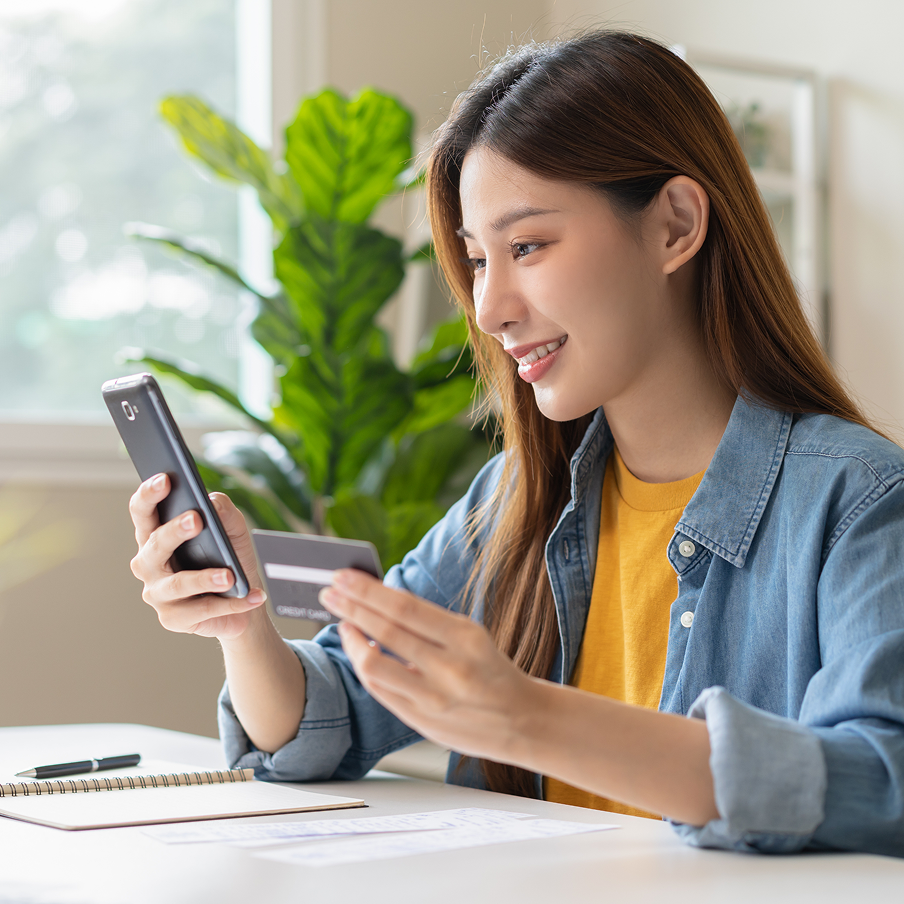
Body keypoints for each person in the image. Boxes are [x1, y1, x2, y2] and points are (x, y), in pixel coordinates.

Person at [129, 30, 904, 857]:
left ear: (675, 224)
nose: (489, 308)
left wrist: (528, 718)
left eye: (527, 246)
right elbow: (325, 718)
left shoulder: (858, 501)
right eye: (475, 259)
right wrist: (240, 622)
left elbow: (879, 782)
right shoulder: (512, 498)